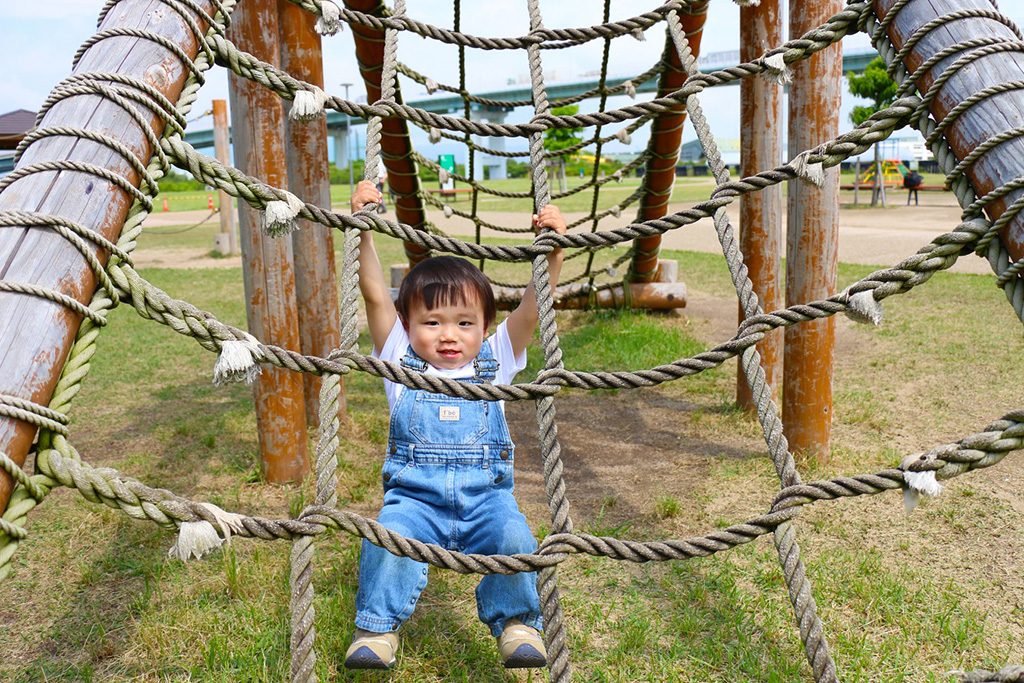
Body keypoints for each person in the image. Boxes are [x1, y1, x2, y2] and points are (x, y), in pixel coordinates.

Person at [344, 179, 566, 670]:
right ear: (407, 327)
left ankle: (516, 624)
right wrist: (362, 228)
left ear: (485, 327)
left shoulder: (497, 360)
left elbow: (535, 307)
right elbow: (376, 296)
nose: (449, 335)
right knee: (385, 536)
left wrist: (550, 255)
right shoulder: (400, 361)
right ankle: (376, 630)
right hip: (415, 501)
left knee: (516, 540)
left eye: (464, 323)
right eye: (432, 322)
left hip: (486, 500)